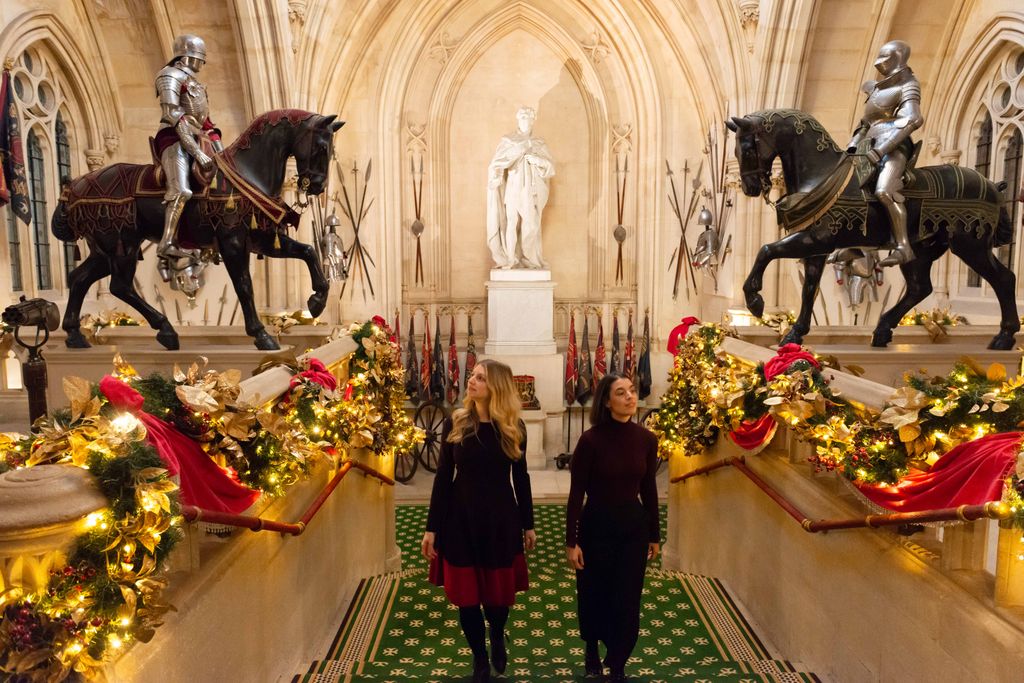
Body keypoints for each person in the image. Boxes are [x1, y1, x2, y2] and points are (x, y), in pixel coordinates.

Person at [422, 359, 537, 683]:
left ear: (496, 387)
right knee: (467, 597)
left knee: (498, 599)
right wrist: (432, 528)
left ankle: (498, 633)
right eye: (473, 376)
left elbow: (522, 477)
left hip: (500, 519)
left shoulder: (513, 428)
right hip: (460, 518)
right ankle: (479, 658)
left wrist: (528, 524)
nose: (471, 381)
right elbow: (443, 478)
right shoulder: (456, 422)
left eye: (480, 378)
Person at [566, 373, 660, 683]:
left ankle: (618, 660)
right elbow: (576, 494)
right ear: (607, 401)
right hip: (596, 527)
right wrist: (572, 541)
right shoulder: (590, 440)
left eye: (632, 391)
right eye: (621, 393)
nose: (630, 397)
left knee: (628, 597)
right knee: (595, 593)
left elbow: (649, 489)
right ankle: (592, 648)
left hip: (633, 528)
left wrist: (654, 535)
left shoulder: (647, 439)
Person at [846, 40, 924, 267]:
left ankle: (903, 247)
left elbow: (913, 119)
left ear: (897, 58)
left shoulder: (908, 85)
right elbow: (865, 124)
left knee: (884, 191)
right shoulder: (876, 90)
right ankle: (856, 244)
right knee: (850, 192)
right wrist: (852, 146)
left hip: (895, 147)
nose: (879, 65)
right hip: (866, 147)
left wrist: (882, 149)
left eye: (885, 59)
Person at [153, 34, 222, 277]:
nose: (202, 64)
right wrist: (197, 153)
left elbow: (208, 124)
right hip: (173, 137)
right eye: (199, 59)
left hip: (196, 137)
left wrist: (222, 155)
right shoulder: (169, 76)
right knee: (182, 190)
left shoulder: (196, 83)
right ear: (188, 56)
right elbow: (175, 116)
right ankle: (167, 243)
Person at [486, 106, 555, 270]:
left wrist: (537, 160)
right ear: (517, 118)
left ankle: (529, 258)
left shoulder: (539, 143)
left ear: (533, 120)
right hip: (513, 188)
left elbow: (550, 168)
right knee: (511, 222)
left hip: (531, 191)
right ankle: (510, 259)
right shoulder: (508, 140)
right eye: (522, 116)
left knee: (530, 224)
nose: (525, 119)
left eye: (529, 116)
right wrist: (497, 174)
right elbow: (496, 163)